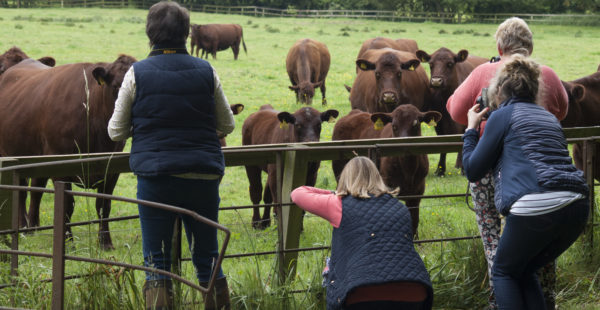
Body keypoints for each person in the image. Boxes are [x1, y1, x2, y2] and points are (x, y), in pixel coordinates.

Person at [107, 2, 235, 309]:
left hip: (156, 177)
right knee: (208, 256)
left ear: (150, 33)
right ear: (184, 33)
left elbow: (116, 132)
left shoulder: (137, 72)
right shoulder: (206, 69)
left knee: (157, 261)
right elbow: (227, 124)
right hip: (203, 174)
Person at [446, 17, 568, 309]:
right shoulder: (547, 74)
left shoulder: (484, 72)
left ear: (499, 46)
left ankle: (498, 298)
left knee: (493, 239)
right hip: (539, 168)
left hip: (491, 166)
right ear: (529, 46)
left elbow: (454, 110)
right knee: (540, 243)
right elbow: (561, 111)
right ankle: (546, 297)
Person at [462, 55, 589, 310]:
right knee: (524, 269)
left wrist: (471, 130)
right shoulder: (548, 117)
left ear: (499, 90)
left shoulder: (503, 116)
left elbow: (473, 170)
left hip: (536, 204)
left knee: (503, 272)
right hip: (576, 206)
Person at [290, 156, 433, 310]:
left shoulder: (338, 204)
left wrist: (337, 193)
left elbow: (298, 193)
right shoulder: (400, 207)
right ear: (377, 177)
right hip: (415, 290)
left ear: (345, 178)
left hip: (362, 293)